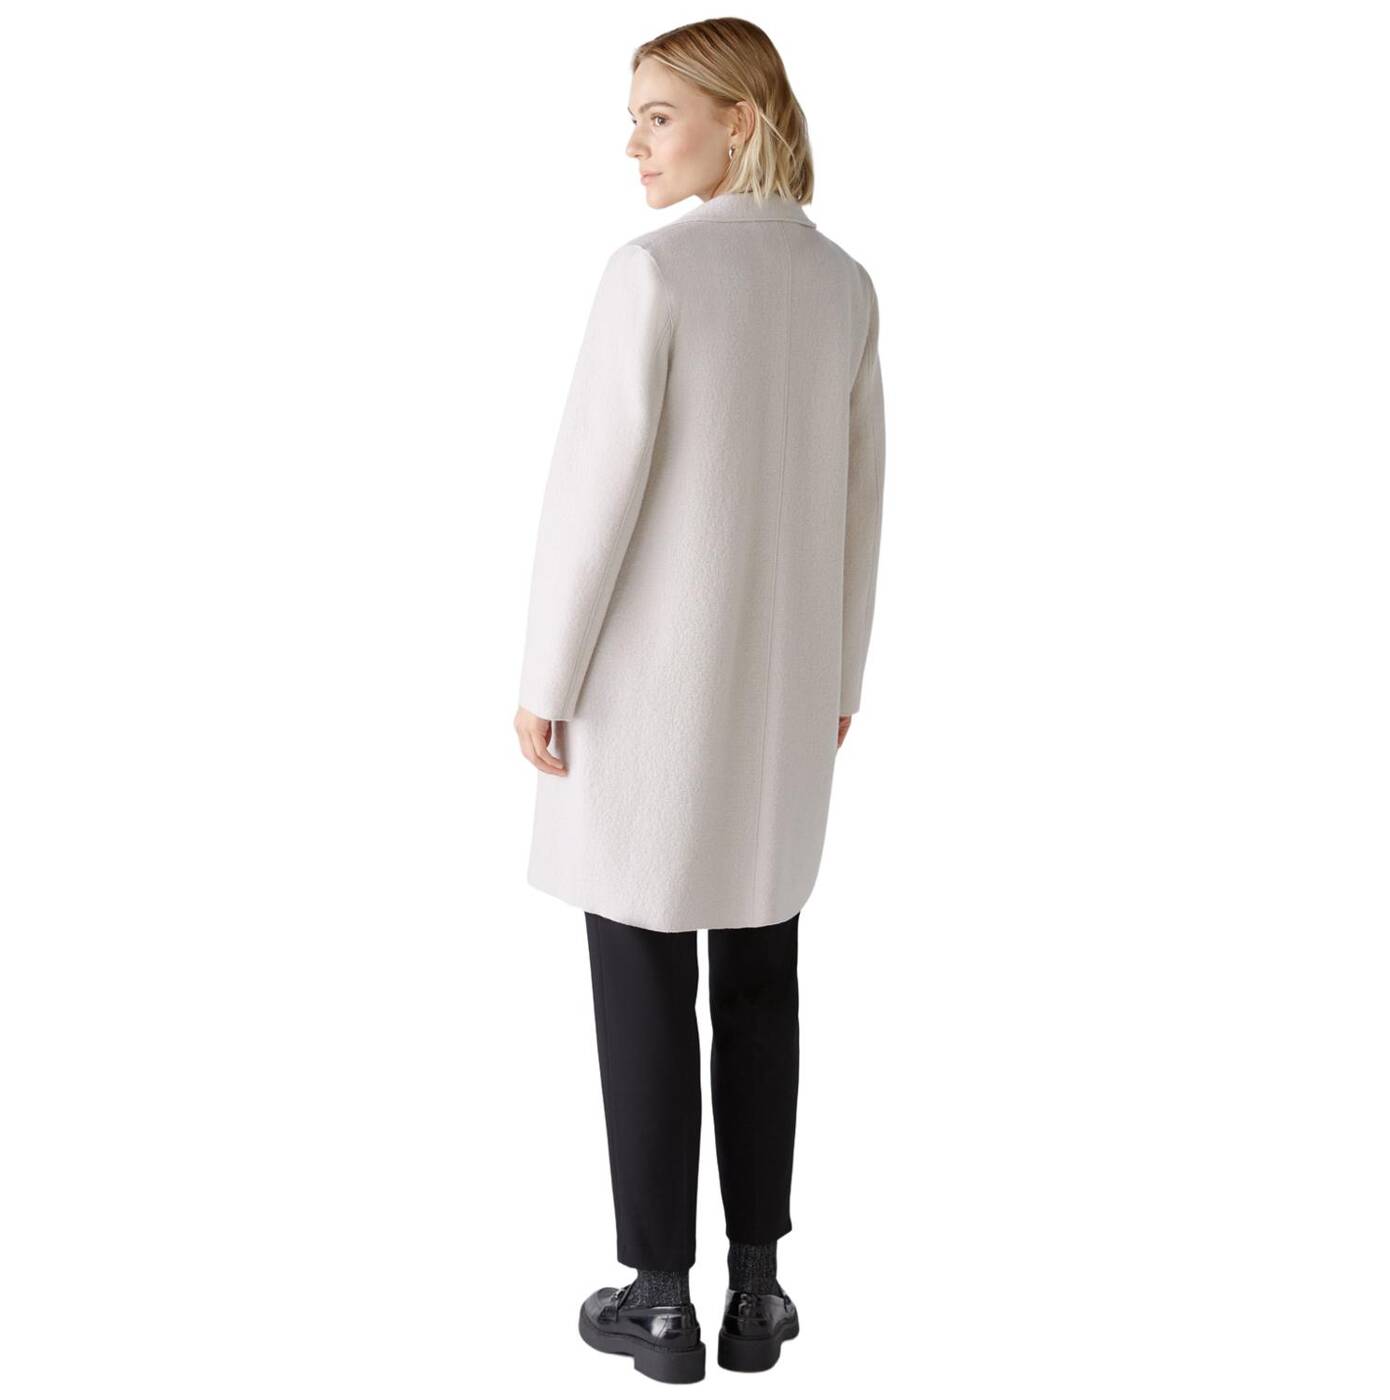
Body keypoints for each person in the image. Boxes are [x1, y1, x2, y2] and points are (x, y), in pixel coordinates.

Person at [514, 18, 885, 1384]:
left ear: (741, 119)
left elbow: (591, 496)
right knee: (763, 974)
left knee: (643, 973)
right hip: (785, 699)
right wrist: (840, 677)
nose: (633, 144)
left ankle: (660, 1300)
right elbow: (863, 502)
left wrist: (545, 679)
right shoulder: (842, 285)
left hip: (652, 695)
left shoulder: (654, 273)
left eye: (657, 115)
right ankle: (758, 1292)